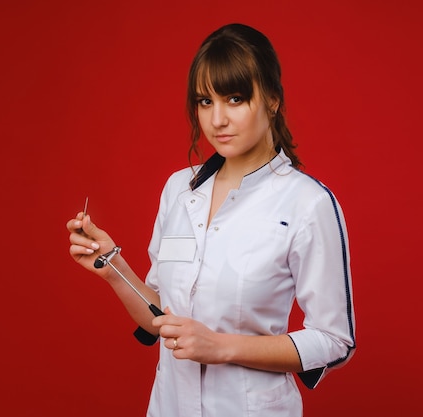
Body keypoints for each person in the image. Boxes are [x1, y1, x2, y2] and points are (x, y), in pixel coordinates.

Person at [67, 23, 356, 417]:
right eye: (205, 102)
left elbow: (333, 339)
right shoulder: (178, 190)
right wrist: (113, 265)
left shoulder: (307, 204)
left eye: (235, 98)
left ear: (272, 99)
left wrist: (223, 347)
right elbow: (161, 319)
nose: (217, 119)